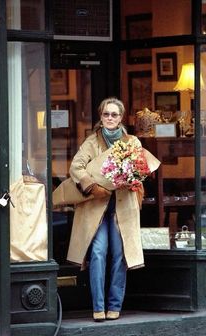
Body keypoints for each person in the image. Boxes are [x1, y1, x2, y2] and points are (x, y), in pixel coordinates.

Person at [67, 97, 145, 322]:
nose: (110, 118)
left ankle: (115, 305)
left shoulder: (132, 142)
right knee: (99, 253)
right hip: (97, 207)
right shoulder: (92, 142)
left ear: (121, 118)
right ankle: (98, 306)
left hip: (123, 207)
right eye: (106, 114)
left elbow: (141, 168)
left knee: (120, 255)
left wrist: (133, 179)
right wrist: (91, 185)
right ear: (100, 118)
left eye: (114, 115)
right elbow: (76, 166)